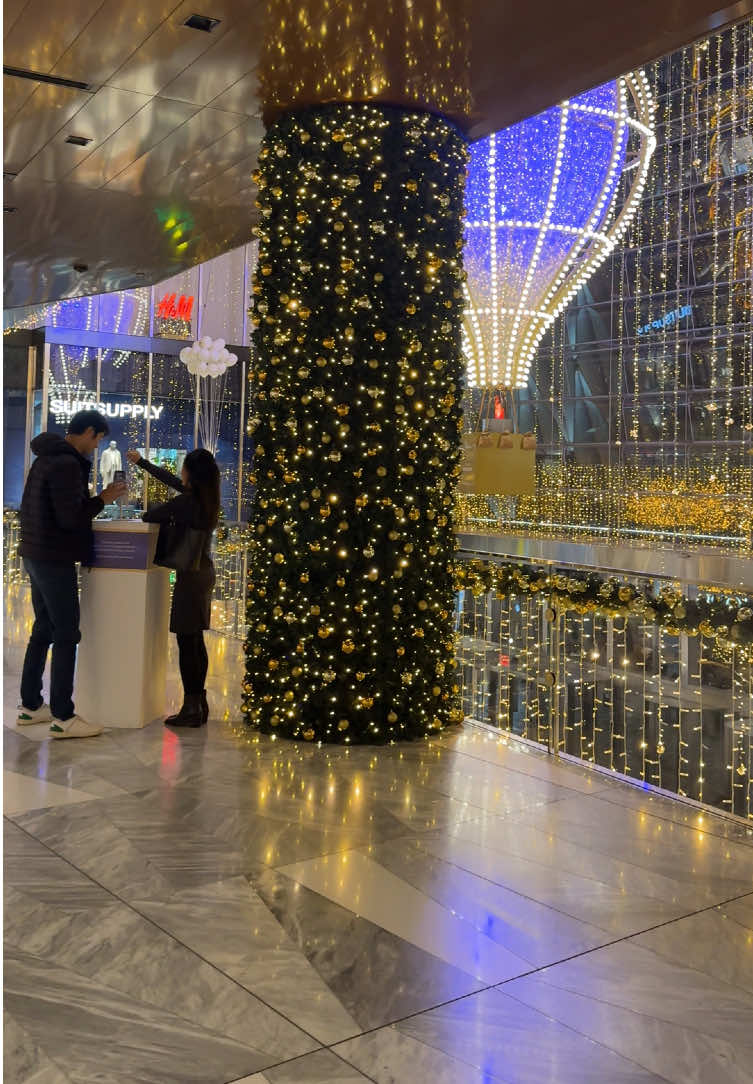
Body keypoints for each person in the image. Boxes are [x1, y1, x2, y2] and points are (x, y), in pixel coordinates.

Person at [17, 410, 127, 738]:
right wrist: (102, 499)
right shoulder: (66, 464)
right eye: (97, 440)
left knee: (44, 628)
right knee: (66, 633)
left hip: (36, 553)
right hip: (54, 556)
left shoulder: (46, 458)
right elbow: (71, 517)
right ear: (88, 432)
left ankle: (31, 706)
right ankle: (63, 716)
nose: (96, 448)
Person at [127, 448, 219, 727]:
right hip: (203, 572)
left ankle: (191, 708)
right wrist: (142, 463)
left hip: (190, 579)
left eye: (184, 468)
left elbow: (150, 515)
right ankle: (198, 704)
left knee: (187, 643)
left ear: (191, 473)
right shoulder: (206, 499)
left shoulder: (187, 503)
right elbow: (171, 482)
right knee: (195, 641)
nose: (180, 473)